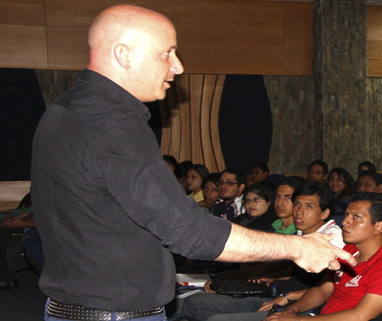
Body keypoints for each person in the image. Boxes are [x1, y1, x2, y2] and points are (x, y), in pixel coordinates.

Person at [30, 5, 354, 319]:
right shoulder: (114, 126)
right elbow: (190, 232)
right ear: (123, 54)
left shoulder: (64, 111)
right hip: (115, 312)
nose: (178, 67)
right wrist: (299, 248)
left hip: (72, 304)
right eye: (167, 53)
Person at [180, 181, 345, 321]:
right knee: (193, 303)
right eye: (297, 204)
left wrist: (288, 297)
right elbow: (299, 269)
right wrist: (274, 276)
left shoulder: (331, 238)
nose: (299, 212)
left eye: (309, 207)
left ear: (325, 213)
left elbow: (331, 287)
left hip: (301, 306)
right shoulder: (304, 230)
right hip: (280, 294)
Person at [263, 193, 382, 321]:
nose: (345, 222)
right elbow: (323, 290)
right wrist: (292, 310)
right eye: (347, 215)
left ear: (378, 227)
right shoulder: (351, 248)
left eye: (356, 217)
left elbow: (360, 316)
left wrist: (297, 320)